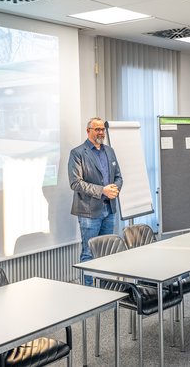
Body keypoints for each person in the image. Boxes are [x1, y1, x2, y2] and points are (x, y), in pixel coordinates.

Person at [68, 117, 123, 285]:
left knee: (105, 251)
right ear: (88, 131)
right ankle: (88, 289)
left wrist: (115, 189)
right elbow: (75, 183)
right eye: (97, 129)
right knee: (89, 252)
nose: (101, 132)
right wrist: (102, 190)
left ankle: (104, 288)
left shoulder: (110, 151)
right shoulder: (78, 153)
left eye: (102, 129)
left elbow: (118, 176)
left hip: (109, 209)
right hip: (89, 211)